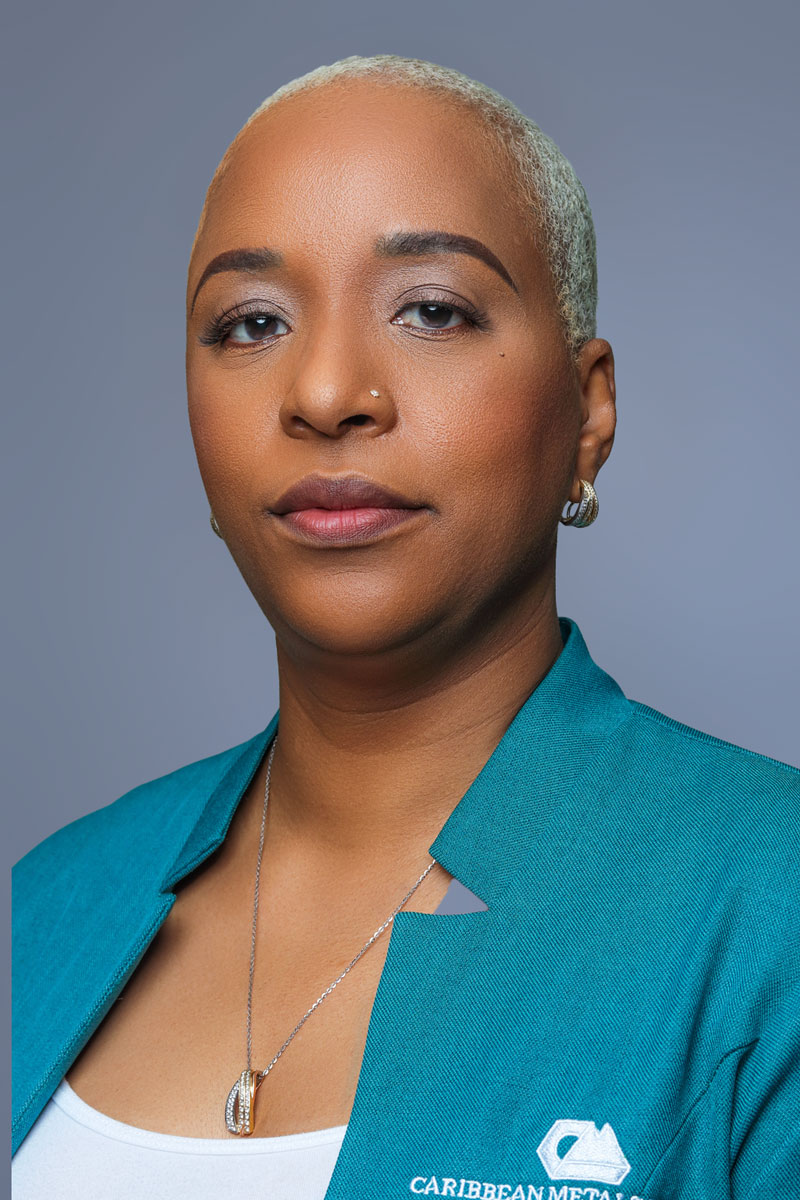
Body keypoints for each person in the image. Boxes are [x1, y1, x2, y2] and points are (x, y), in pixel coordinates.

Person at [11, 53, 799, 1200]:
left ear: (587, 412)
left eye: (431, 310)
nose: (326, 393)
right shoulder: (43, 905)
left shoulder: (767, 907)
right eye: (250, 323)